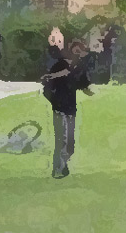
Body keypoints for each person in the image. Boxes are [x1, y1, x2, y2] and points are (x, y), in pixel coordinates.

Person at [41, 37, 95, 179]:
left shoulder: (79, 69)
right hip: (59, 108)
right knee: (62, 139)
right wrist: (54, 101)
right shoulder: (60, 66)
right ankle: (58, 169)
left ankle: (63, 166)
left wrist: (90, 91)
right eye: (75, 50)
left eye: (80, 51)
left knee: (70, 144)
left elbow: (84, 85)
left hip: (71, 109)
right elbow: (46, 85)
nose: (77, 54)